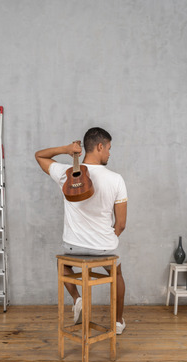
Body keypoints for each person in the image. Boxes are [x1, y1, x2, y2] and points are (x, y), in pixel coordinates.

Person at [35, 127, 127, 334]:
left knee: (63, 265)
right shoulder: (116, 179)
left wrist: (66, 149)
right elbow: (121, 224)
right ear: (100, 146)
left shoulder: (67, 173)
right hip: (104, 248)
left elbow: (39, 156)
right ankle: (118, 322)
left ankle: (77, 299)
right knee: (117, 273)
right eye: (109, 148)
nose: (110, 153)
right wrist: (107, 239)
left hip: (73, 247)